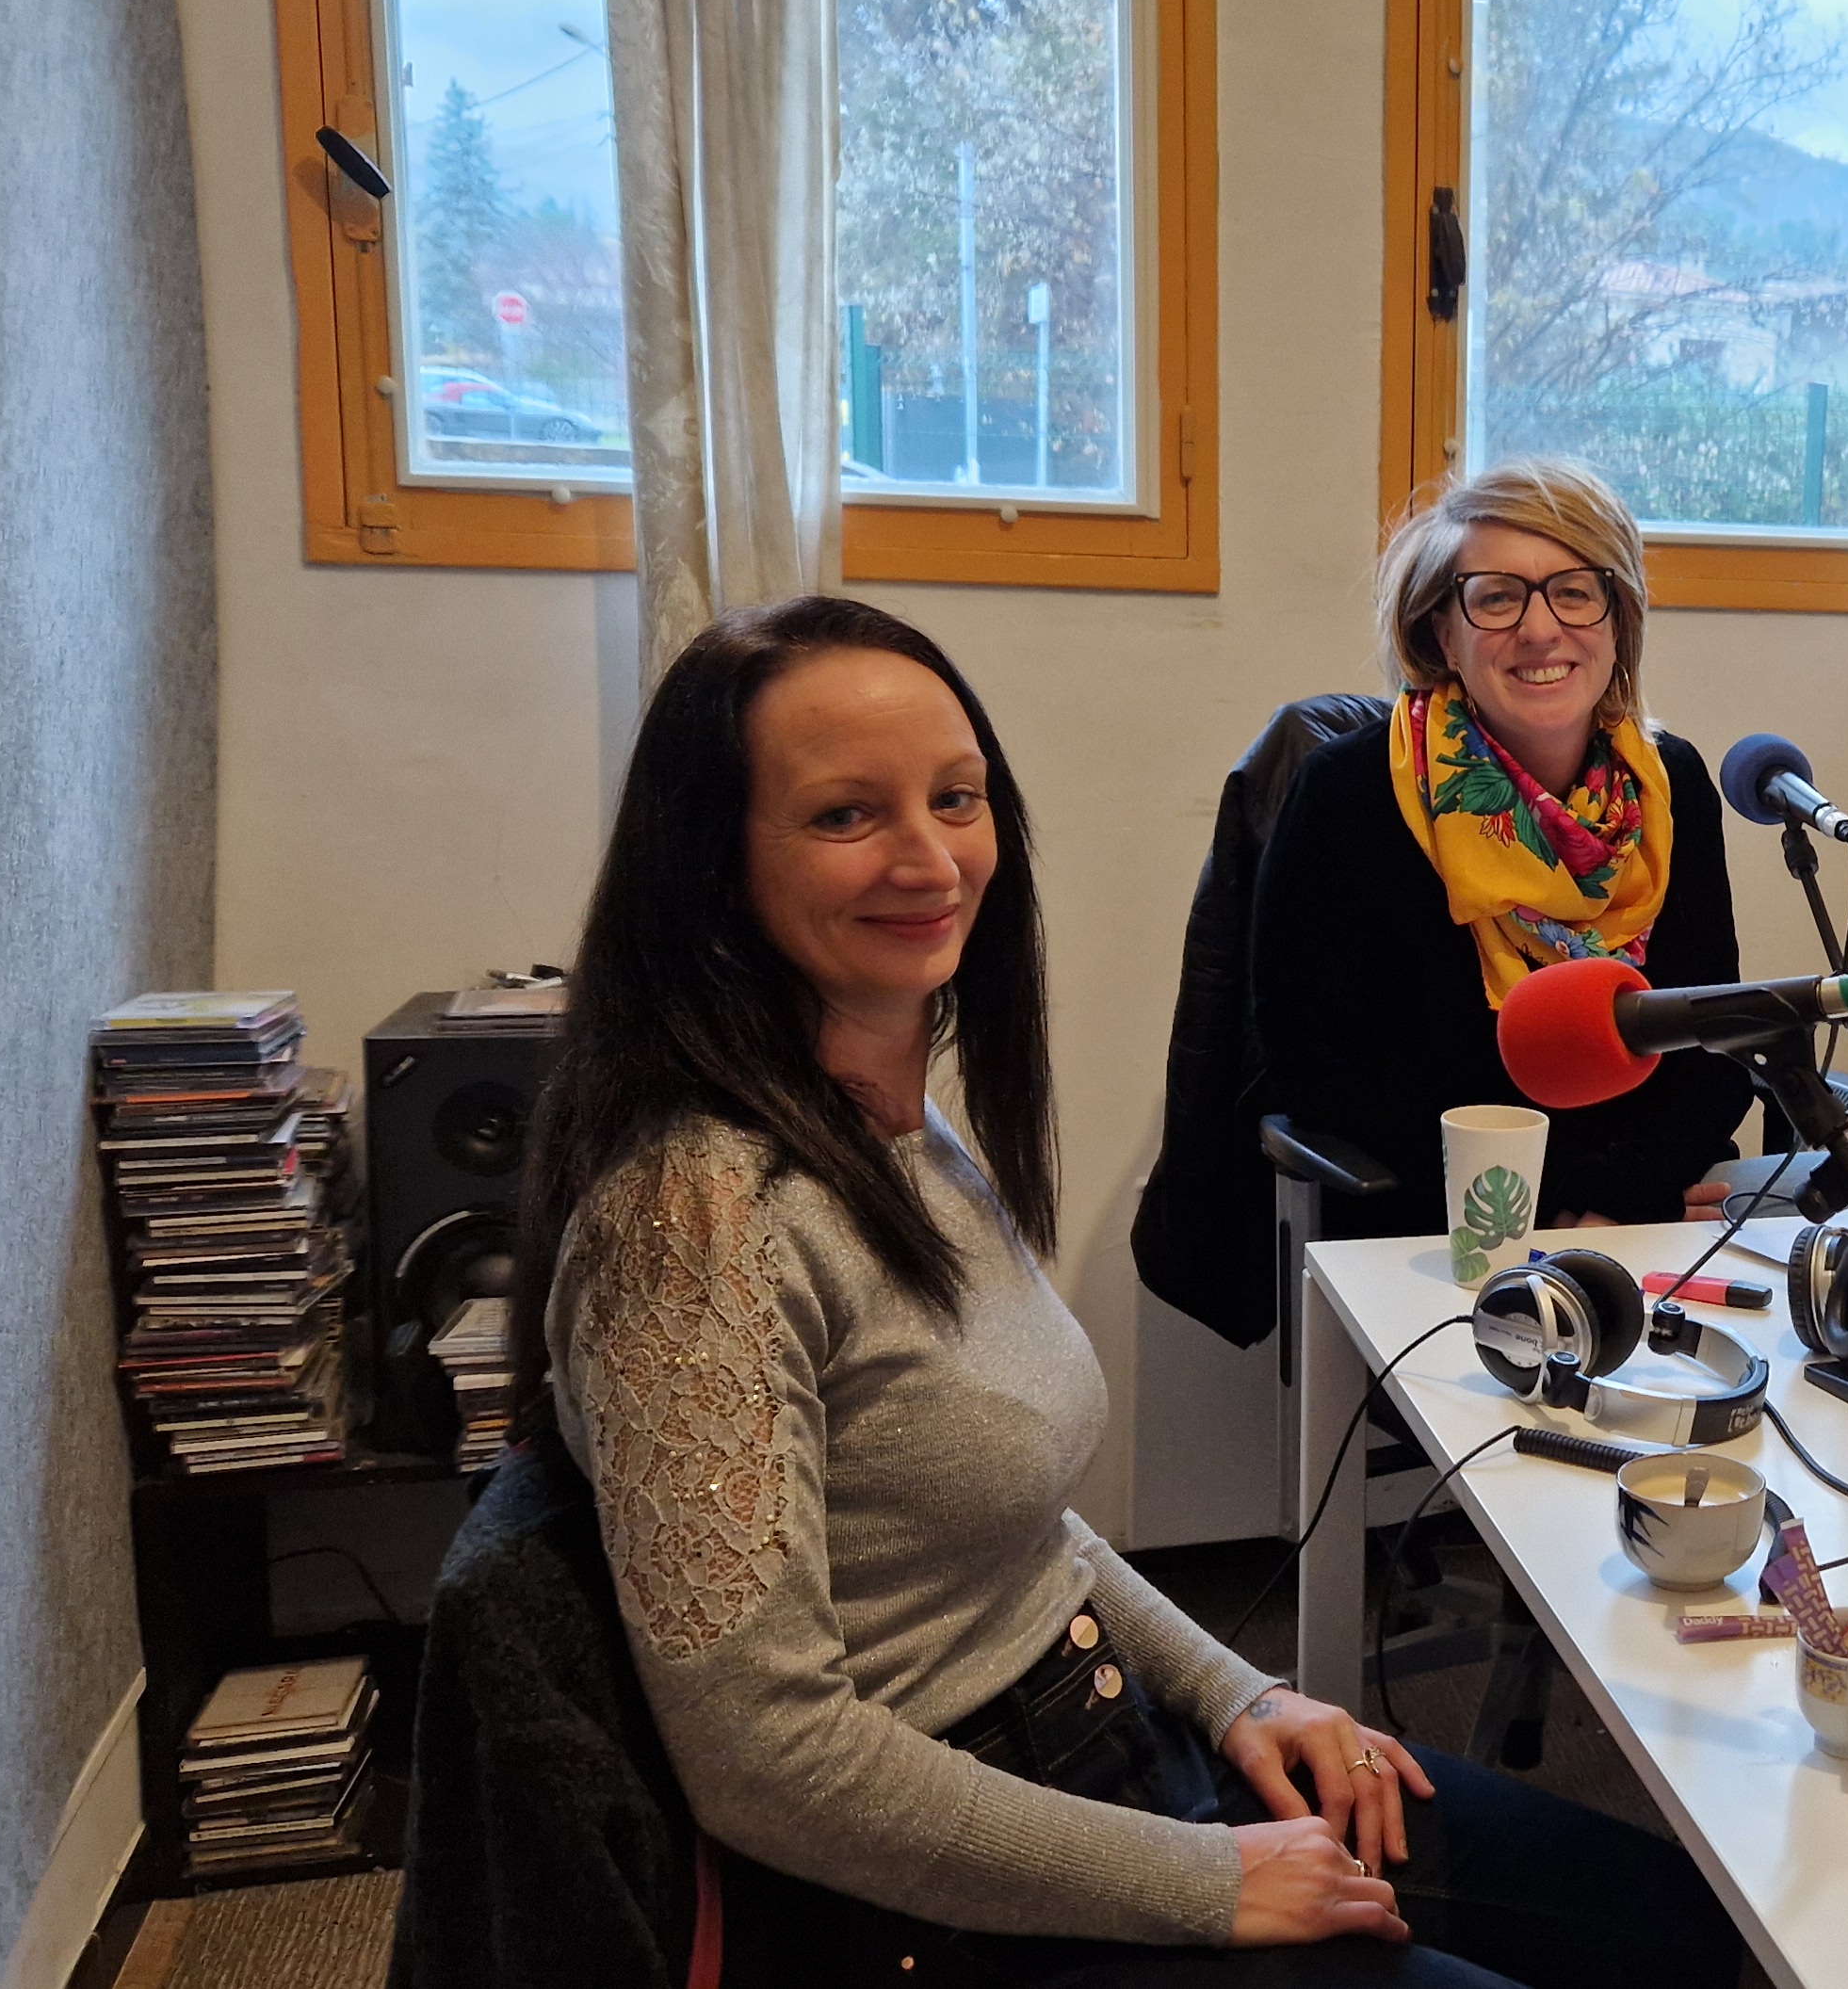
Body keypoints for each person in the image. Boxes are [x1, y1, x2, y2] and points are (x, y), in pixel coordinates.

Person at [512, 596, 1743, 1988]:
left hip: (1110, 1742)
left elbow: (1021, 1533)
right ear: (711, 864)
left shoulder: (899, 1122)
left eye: (957, 798)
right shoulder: (693, 1224)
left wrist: (1243, 1693)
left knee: (1681, 1927)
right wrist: (1208, 1878)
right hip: (940, 1897)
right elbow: (768, 1761)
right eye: (846, 815)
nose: (931, 858)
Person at [1250, 460, 1753, 1237]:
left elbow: (1712, 1042)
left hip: (1643, 1208)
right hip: (1439, 1220)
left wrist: (1623, 1196)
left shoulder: (1672, 785)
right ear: (1443, 634)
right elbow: (1324, 1074)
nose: (1541, 629)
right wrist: (1559, 1198)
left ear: (1619, 620)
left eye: (1575, 591)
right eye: (1497, 598)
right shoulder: (1347, 795)